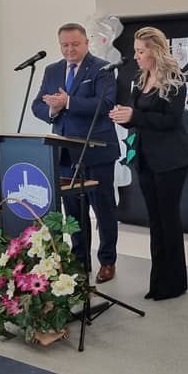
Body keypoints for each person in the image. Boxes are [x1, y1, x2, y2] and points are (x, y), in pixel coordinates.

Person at [32, 23, 120, 283]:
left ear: (86, 43)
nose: (70, 49)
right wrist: (53, 109)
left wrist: (68, 101)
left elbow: (105, 103)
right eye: (65, 45)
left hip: (96, 151)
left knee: (103, 210)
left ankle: (107, 261)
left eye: (75, 44)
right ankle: (80, 260)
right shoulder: (52, 70)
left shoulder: (102, 68)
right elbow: (37, 105)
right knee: (73, 212)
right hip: (64, 154)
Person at [109, 26, 188, 301]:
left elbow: (171, 120)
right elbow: (139, 117)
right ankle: (158, 281)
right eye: (135, 51)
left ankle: (175, 283)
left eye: (140, 51)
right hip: (145, 159)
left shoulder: (175, 80)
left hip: (170, 160)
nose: (136, 56)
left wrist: (135, 116)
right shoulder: (141, 79)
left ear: (155, 51)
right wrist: (124, 116)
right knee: (155, 222)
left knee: (169, 220)